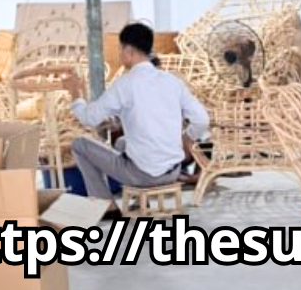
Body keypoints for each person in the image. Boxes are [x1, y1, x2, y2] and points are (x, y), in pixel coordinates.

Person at [66, 23, 210, 221]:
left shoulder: (125, 84)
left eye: (120, 49)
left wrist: (75, 93)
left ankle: (106, 205)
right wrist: (186, 138)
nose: (120, 54)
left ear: (128, 51)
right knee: (122, 142)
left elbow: (89, 118)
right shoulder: (172, 81)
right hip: (172, 171)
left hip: (142, 175)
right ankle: (138, 200)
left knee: (79, 144)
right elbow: (202, 119)